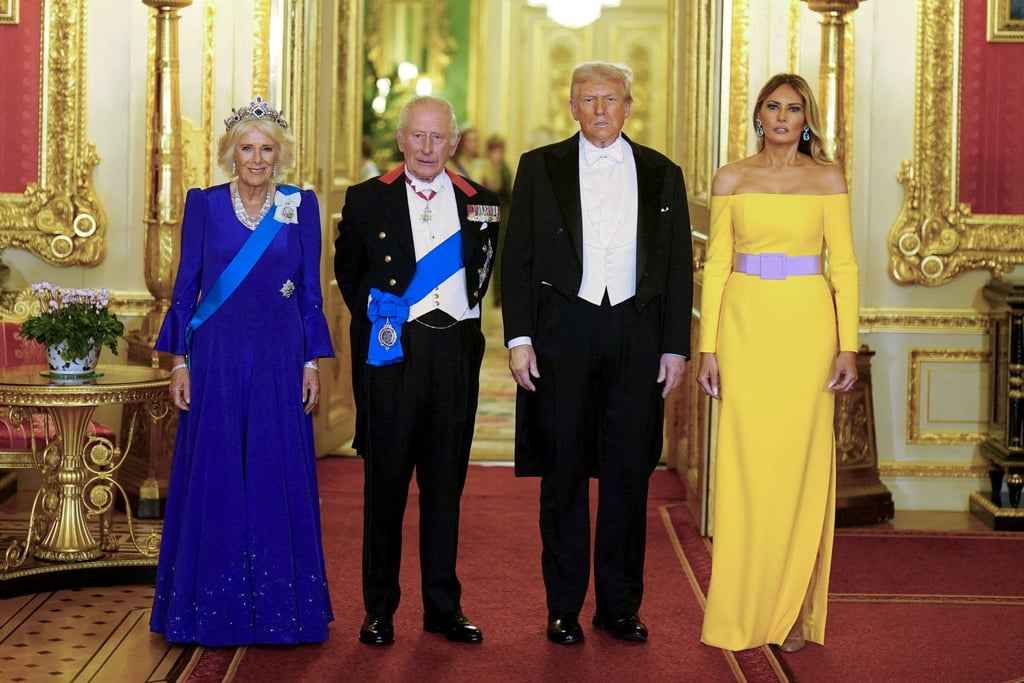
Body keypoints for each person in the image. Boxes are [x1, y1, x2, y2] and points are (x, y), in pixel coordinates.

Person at [501, 61, 693, 645]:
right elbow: (518, 258)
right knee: (562, 476)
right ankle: (562, 608)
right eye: (589, 100)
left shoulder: (663, 172)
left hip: (636, 335)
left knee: (628, 475)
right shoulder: (539, 167)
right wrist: (519, 338)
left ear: (630, 106)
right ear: (572, 106)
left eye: (611, 99)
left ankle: (619, 606)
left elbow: (678, 265)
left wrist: (674, 347)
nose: (601, 109)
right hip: (563, 333)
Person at [150, 96, 335, 646]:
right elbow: (186, 289)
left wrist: (310, 362)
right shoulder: (203, 204)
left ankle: (282, 611)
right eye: (247, 149)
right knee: (217, 472)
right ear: (230, 154)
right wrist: (179, 361)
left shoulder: (299, 204)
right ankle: (209, 610)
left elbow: (309, 292)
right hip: (219, 357)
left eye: (267, 150)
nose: (257, 159)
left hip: (280, 356)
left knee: (276, 471)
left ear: (281, 155)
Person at [696, 73, 859, 653]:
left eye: (794, 108)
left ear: (806, 118)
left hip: (809, 331)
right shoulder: (731, 177)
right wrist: (708, 346)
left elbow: (843, 267)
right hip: (743, 328)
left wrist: (848, 344)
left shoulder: (829, 178)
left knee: (800, 471)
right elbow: (715, 266)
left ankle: (791, 614)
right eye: (773, 107)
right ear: (759, 115)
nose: (783, 117)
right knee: (745, 472)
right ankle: (741, 608)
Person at [335, 95, 500, 646]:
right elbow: (350, 275)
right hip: (392, 355)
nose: (428, 148)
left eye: (440, 138)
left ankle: (442, 607)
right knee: (384, 486)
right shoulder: (365, 200)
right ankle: (379, 609)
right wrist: (385, 322)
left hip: (454, 352)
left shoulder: (484, 203)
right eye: (419, 137)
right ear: (401, 140)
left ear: (453, 144)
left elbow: (483, 275)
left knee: (445, 486)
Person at [481, 134, 513, 306]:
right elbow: (496, 187)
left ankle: (500, 293)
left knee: (502, 254)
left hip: (505, 214)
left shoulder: (504, 166)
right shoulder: (487, 167)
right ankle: (494, 294)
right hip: (493, 214)